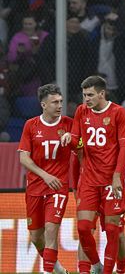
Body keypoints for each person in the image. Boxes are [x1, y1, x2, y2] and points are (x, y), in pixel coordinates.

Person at [60, 75, 125, 273]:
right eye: (84, 95)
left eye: (90, 95)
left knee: (113, 231)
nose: (86, 99)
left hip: (111, 180)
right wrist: (69, 137)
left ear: (102, 93)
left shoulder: (119, 113)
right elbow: (76, 140)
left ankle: (115, 270)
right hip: (89, 180)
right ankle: (96, 265)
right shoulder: (82, 111)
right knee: (83, 228)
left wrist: (117, 176)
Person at [18, 84, 71, 274]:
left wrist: (72, 137)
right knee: (35, 236)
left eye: (60, 102)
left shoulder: (69, 124)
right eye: (54, 102)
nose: (59, 106)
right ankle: (55, 267)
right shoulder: (31, 125)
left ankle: (47, 271)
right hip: (35, 187)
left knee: (51, 228)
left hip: (58, 186)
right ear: (43, 105)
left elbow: (81, 143)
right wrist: (45, 175)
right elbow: (23, 157)